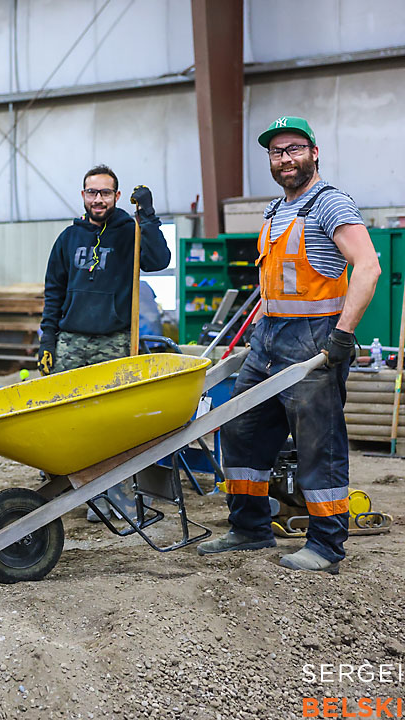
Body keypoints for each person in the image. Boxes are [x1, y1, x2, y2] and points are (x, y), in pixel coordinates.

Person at [197, 116, 380, 574]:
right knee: (241, 428)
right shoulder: (276, 210)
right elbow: (277, 283)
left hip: (315, 338)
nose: (286, 159)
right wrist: (253, 333)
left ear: (314, 152)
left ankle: (325, 546)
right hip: (270, 336)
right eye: (277, 152)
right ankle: (250, 528)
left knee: (319, 443)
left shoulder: (330, 205)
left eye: (294, 149)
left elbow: (369, 266)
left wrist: (343, 335)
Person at [37, 165, 171, 520]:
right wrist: (48, 341)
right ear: (83, 196)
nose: (98, 199)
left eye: (106, 193)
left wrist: (149, 215)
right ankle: (76, 485)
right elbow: (53, 293)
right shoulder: (68, 238)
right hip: (71, 342)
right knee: (67, 418)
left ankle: (118, 494)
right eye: (92, 193)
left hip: (115, 341)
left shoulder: (131, 231)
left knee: (115, 421)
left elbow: (159, 261)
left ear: (116, 195)